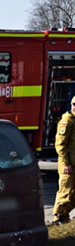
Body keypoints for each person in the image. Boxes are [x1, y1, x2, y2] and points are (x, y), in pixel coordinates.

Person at [53, 96, 75, 225]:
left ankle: (65, 217)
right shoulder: (67, 121)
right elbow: (60, 144)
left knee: (73, 195)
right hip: (68, 165)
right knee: (65, 192)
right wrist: (66, 163)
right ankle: (58, 218)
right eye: (74, 105)